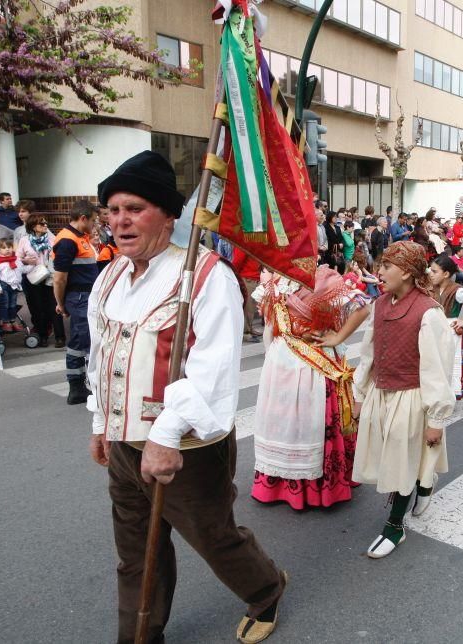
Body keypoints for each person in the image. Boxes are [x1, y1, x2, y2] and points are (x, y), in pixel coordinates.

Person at [87, 150, 287, 643]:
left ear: (168, 214)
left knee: (213, 538)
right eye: (112, 210)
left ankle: (266, 589)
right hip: (123, 444)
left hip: (187, 448)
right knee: (136, 550)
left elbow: (214, 370)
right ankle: (140, 635)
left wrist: (166, 434)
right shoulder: (110, 275)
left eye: (134, 208)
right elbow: (101, 354)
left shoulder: (204, 274)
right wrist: (100, 422)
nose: (120, 220)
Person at [352, 241, 455, 558]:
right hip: (382, 392)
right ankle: (425, 484)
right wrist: (359, 393)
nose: (378, 272)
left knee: (401, 458)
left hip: (412, 397)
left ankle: (394, 526)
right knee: (393, 455)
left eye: (386, 266)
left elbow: (438, 369)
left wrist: (436, 420)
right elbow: (369, 352)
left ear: (408, 273)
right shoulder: (380, 304)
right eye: (380, 265)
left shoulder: (429, 314)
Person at [250, 267, 370, 510]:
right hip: (284, 360)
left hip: (313, 363)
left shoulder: (323, 278)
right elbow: (269, 321)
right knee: (285, 423)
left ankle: (308, 485)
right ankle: (285, 480)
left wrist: (337, 337)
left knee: (308, 423)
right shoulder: (275, 279)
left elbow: (362, 307)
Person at [53, 200, 97, 405]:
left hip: (83, 297)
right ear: (83, 219)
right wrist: (60, 303)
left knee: (78, 343)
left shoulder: (79, 238)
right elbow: (59, 278)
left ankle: (77, 387)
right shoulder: (67, 241)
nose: (95, 225)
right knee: (88, 342)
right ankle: (86, 386)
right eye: (93, 220)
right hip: (79, 297)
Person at [429, 255, 463, 400]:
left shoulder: (457, 290)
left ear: (446, 274)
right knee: (433, 360)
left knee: (450, 361)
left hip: (450, 329)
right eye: (430, 270)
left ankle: (449, 393)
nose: (430, 274)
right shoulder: (431, 288)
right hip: (433, 327)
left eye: (434, 271)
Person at [16, 213, 65, 348]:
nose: (45, 226)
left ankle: (60, 337)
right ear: (33, 226)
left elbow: (59, 253)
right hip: (33, 278)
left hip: (49, 277)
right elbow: (17, 258)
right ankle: (42, 336)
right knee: (37, 308)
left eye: (45, 223)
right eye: (42, 224)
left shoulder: (51, 239)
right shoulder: (24, 240)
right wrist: (25, 260)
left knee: (54, 306)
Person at [0, 239, 26, 332]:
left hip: (14, 286)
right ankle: (6, 322)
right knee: (4, 304)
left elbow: (22, 269)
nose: (7, 250)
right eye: (4, 248)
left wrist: (33, 267)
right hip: (4, 286)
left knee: (13, 304)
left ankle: (13, 320)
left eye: (9, 247)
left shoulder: (17, 260)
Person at [232, 247, 264, 343]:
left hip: (254, 277)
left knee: (251, 308)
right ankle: (245, 333)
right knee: (247, 308)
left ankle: (249, 328)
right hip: (247, 278)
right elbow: (237, 262)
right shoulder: (244, 242)